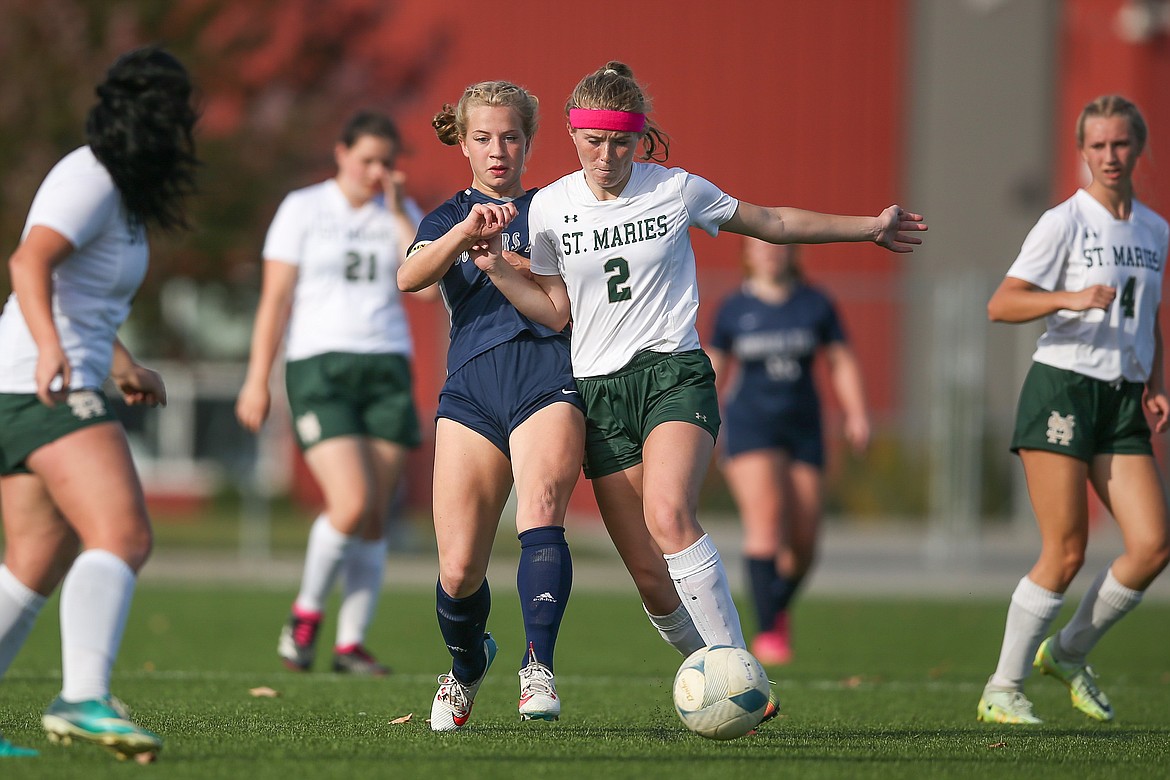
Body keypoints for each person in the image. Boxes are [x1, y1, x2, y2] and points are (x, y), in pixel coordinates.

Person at [472, 61, 924, 675]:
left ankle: (742, 673)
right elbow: (555, 312)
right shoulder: (549, 208)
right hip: (599, 394)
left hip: (673, 375)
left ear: (640, 138)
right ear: (574, 135)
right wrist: (499, 271)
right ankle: (718, 679)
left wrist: (868, 228)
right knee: (653, 582)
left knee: (669, 513)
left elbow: (774, 221)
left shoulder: (677, 189)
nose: (607, 156)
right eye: (595, 141)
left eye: (622, 142)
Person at [0, 46, 198, 760]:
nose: (183, 125)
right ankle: (82, 697)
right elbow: (30, 262)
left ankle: (76, 696)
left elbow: (84, 299)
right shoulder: (89, 175)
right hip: (42, 382)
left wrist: (122, 364)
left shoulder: (124, 192)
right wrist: (54, 350)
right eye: (174, 110)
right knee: (123, 533)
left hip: (45, 378)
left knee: (34, 558)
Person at [396, 81, 584, 731]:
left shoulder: (557, 208)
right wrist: (467, 236)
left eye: (510, 137)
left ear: (529, 142)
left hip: (546, 378)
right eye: (483, 138)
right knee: (457, 567)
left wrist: (512, 261)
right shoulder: (446, 217)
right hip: (471, 390)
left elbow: (568, 303)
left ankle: (539, 668)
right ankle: (467, 667)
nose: (497, 150)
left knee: (540, 517)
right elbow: (410, 276)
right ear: (465, 146)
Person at [978, 94, 1170, 725]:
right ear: (1082, 151)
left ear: (1137, 148)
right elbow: (1002, 304)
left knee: (1152, 546)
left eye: (1120, 144)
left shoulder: (1155, 229)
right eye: (1097, 146)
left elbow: (1149, 318)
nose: (1110, 156)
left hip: (1122, 398)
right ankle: (1002, 687)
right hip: (1063, 386)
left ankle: (1066, 652)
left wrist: (1155, 381)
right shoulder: (1064, 221)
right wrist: (1073, 298)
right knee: (1065, 549)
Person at [236, 111, 428, 677]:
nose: (376, 171)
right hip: (318, 367)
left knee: (375, 516)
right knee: (349, 503)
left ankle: (350, 645)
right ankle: (306, 616)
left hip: (386, 366)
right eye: (367, 159)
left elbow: (425, 289)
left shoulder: (400, 213)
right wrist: (257, 378)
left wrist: (396, 212)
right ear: (341, 153)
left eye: (386, 162)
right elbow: (275, 300)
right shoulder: (303, 209)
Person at [707, 239, 870, 666]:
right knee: (766, 519)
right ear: (748, 254)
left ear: (792, 253)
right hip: (750, 426)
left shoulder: (815, 303)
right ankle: (765, 634)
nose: (771, 253)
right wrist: (699, 423)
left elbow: (840, 360)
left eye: (780, 246)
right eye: (761, 246)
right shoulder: (733, 308)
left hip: (803, 428)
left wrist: (856, 414)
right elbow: (715, 368)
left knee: (805, 543)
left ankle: (774, 604)